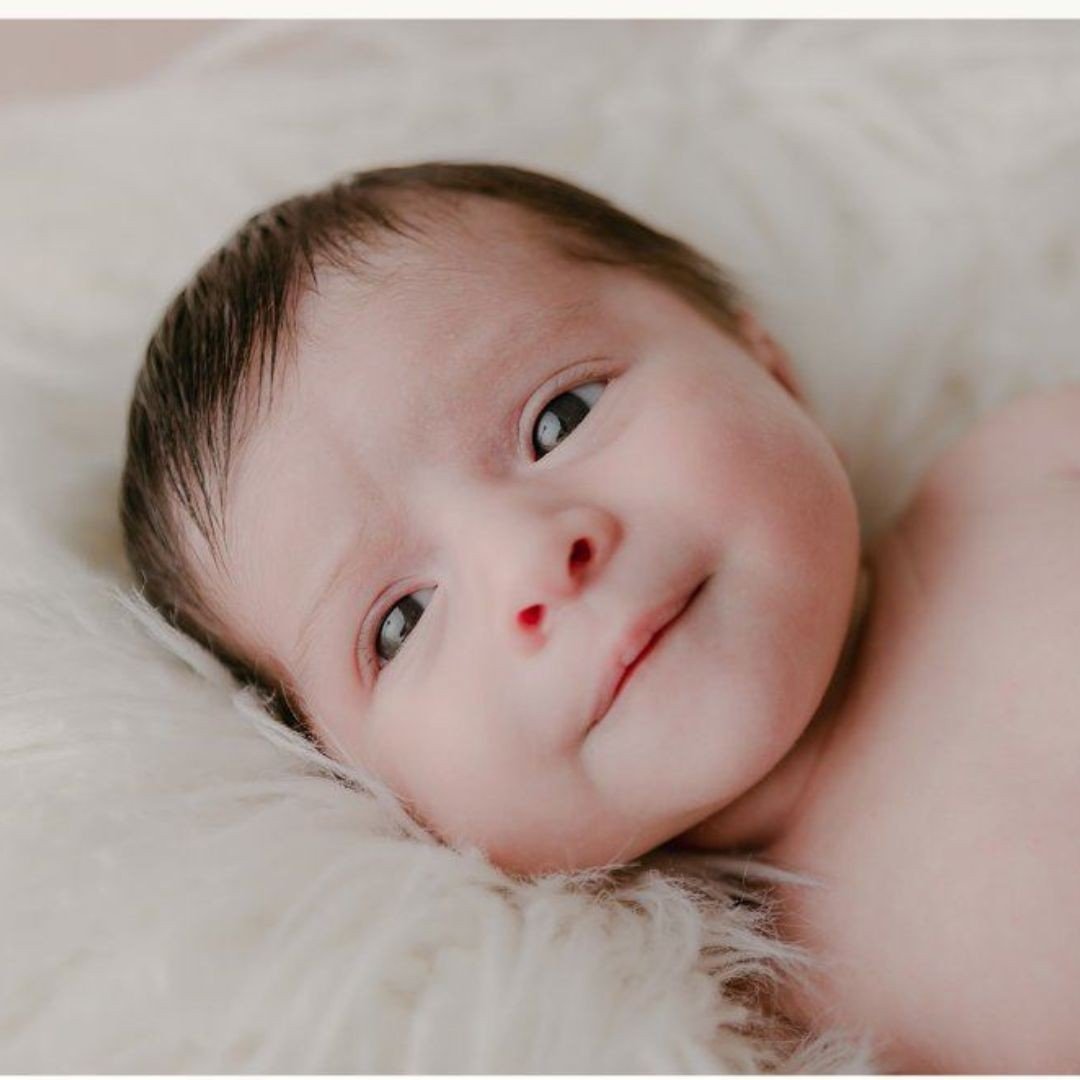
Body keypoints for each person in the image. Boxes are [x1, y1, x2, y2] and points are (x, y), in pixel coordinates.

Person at [120, 162, 1080, 1072]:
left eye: (561, 417)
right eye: (402, 621)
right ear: (349, 778)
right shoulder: (739, 1018)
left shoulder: (1021, 471)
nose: (532, 560)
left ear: (765, 364)